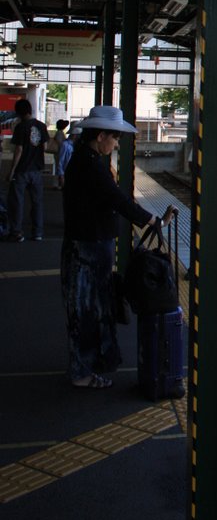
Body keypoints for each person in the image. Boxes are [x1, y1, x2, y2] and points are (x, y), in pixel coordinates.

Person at [61, 105, 174, 390]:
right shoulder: (89, 165)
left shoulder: (85, 160)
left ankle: (87, 366)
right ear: (101, 136)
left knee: (91, 307)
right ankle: (81, 372)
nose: (116, 143)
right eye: (115, 137)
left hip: (87, 244)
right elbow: (117, 199)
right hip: (88, 247)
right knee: (86, 309)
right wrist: (151, 220)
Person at [5, 98, 49, 242]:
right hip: (37, 170)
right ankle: (38, 233)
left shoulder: (20, 127)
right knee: (37, 202)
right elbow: (45, 147)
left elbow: (19, 149)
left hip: (22, 170)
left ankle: (17, 232)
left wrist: (12, 170)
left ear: (18, 112)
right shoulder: (41, 126)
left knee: (17, 201)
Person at [55, 124, 78, 189]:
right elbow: (61, 160)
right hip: (67, 174)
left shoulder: (76, 145)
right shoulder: (65, 145)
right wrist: (61, 175)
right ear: (74, 135)